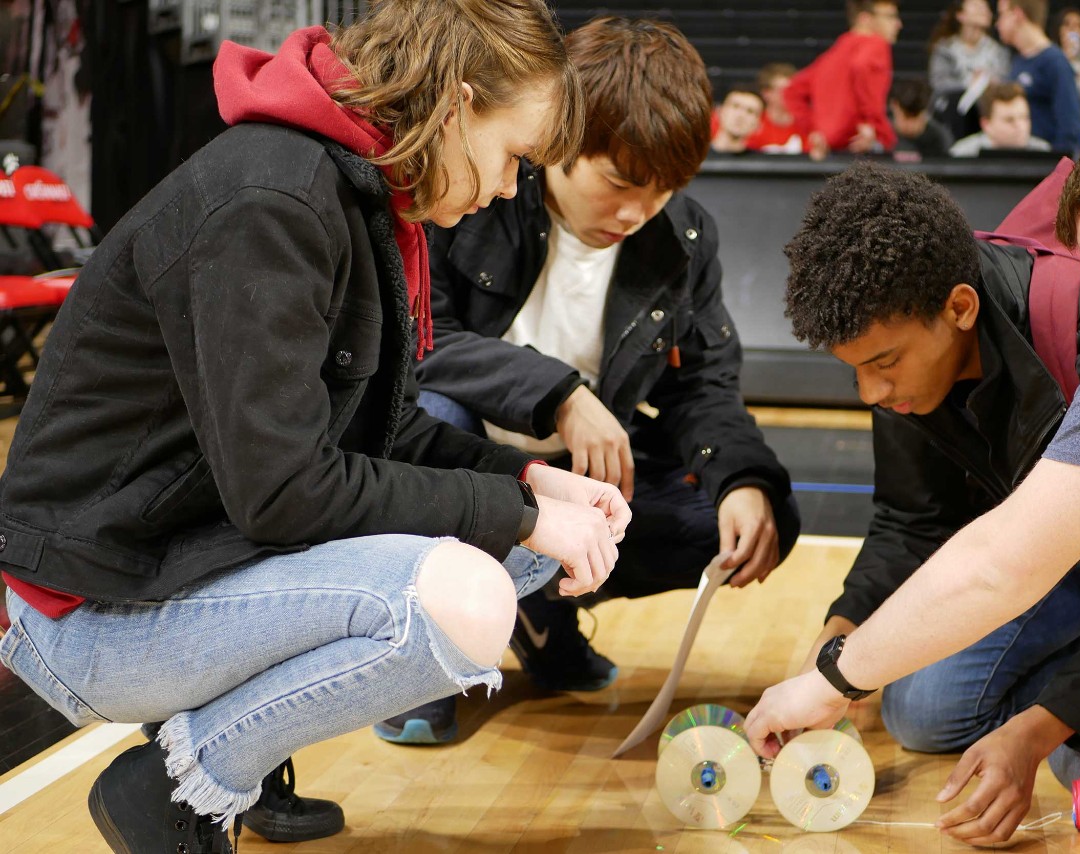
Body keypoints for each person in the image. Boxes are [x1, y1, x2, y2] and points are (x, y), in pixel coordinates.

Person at [0, 2, 633, 852]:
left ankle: (215, 760)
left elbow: (377, 431)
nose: (507, 189)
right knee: (470, 596)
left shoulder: (351, 186)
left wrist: (532, 486)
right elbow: (285, 491)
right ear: (454, 106)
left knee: (518, 546)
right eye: (514, 157)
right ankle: (181, 785)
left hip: (180, 555)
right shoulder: (272, 199)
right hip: (90, 611)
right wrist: (516, 513)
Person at [745, 96, 1080, 843]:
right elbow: (912, 521)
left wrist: (1036, 730)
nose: (873, 394)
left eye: (885, 365)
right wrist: (838, 647)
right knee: (919, 709)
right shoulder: (906, 353)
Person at [374, 16, 800, 746]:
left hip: (575, 479)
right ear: (562, 138)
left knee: (751, 519)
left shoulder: (684, 237)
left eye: (664, 191)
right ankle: (425, 660)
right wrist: (563, 394)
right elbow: (418, 340)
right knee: (434, 417)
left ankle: (541, 610)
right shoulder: (478, 183)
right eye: (622, 183)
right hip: (466, 455)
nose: (638, 213)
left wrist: (741, 481)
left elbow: (704, 387)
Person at [786, 0, 902, 159]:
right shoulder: (876, 44)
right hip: (862, 146)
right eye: (890, 17)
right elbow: (862, 65)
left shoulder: (833, 53)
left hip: (831, 149)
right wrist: (871, 123)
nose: (898, 24)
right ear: (865, 19)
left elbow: (792, 91)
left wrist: (814, 131)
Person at [995, 0, 1080, 153]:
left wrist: (1058, 172)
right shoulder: (1018, 61)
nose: (997, 23)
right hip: (1019, 161)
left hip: (1043, 163)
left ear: (1017, 15)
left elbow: (1070, 127)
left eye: (1001, 15)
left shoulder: (1055, 62)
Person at [928, 0, 1010, 140]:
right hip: (954, 112)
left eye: (986, 8)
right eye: (977, 6)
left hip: (985, 109)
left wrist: (989, 83)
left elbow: (1005, 80)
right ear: (960, 15)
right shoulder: (945, 49)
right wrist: (970, 84)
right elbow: (939, 82)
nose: (983, 10)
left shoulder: (999, 51)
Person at [948, 81, 1050, 156]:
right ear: (986, 125)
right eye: (1009, 120)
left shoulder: (1044, 153)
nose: (1020, 126)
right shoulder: (962, 155)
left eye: (1024, 118)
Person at [748, 63, 806, 154]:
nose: (791, 95)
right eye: (784, 90)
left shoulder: (807, 124)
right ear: (766, 93)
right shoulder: (752, 125)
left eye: (793, 90)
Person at [888, 78, 954, 158]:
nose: (910, 125)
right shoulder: (878, 138)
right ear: (894, 106)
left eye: (915, 117)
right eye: (906, 117)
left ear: (926, 111)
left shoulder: (941, 140)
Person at [711, 85, 765, 155]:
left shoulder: (761, 162)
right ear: (720, 111)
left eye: (750, 111)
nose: (741, 115)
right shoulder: (696, 156)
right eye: (735, 106)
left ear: (758, 124)